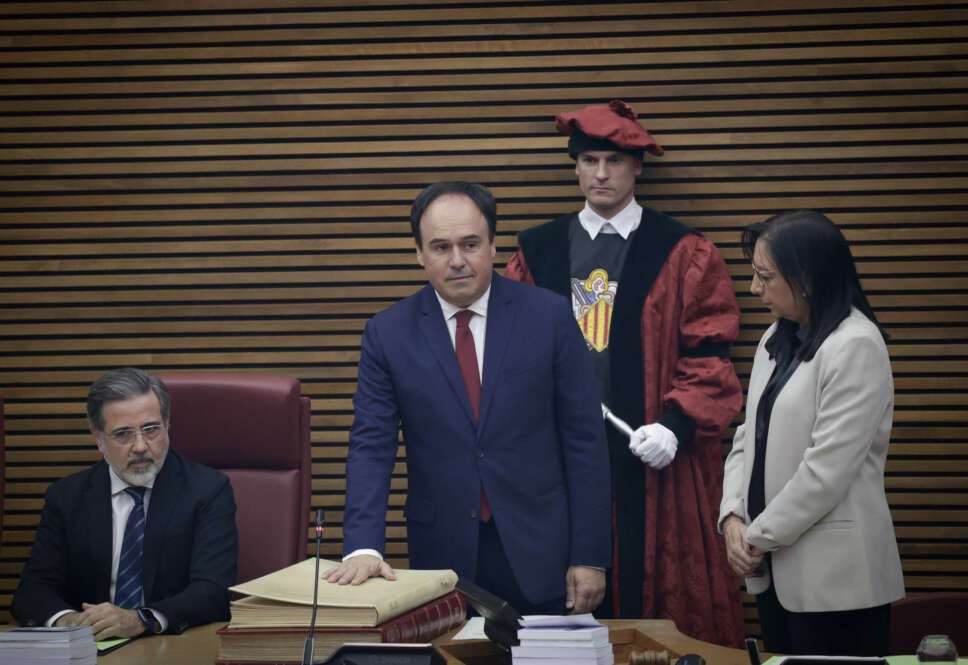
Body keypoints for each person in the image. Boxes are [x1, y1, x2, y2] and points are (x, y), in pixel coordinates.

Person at [504, 100, 744, 644]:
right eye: (589, 160)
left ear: (637, 166)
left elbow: (709, 355)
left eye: (614, 161)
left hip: (651, 458)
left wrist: (675, 426)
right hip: (558, 461)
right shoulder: (536, 251)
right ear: (575, 166)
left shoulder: (682, 251)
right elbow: (512, 357)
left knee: (651, 613)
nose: (601, 174)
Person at [324, 182, 612, 615]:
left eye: (470, 244)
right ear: (419, 254)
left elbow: (585, 440)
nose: (457, 260)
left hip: (543, 550)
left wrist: (589, 554)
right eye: (440, 247)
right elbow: (371, 445)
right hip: (442, 555)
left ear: (492, 246)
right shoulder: (388, 333)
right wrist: (363, 546)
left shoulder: (549, 316)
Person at [720, 210, 904, 655]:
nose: (754, 288)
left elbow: (826, 473)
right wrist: (731, 517)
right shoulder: (774, 338)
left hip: (837, 583)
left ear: (807, 278)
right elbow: (748, 437)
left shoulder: (856, 344)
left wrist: (755, 536)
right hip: (772, 572)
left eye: (765, 276)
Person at [11, 367, 237, 639]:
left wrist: (141, 619)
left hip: (171, 645)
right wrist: (69, 621)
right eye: (123, 434)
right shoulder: (67, 497)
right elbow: (33, 590)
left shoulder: (207, 490)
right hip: (91, 646)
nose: (140, 446)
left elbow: (213, 591)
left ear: (167, 425)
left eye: (151, 430)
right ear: (98, 438)